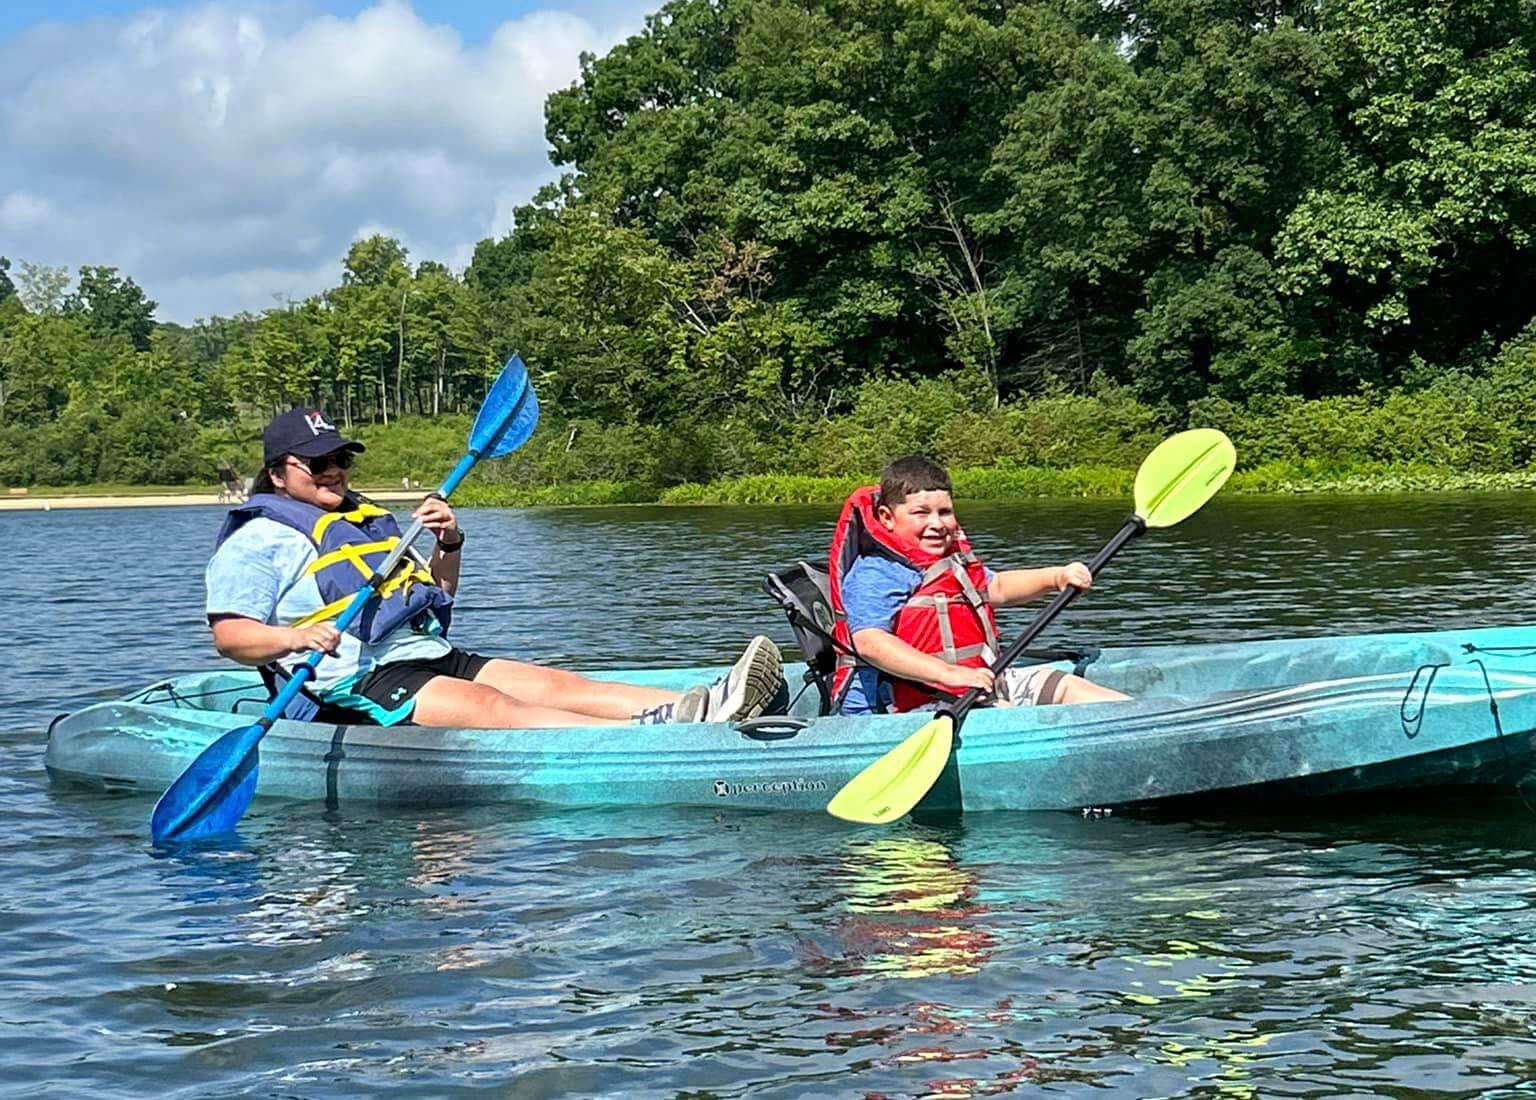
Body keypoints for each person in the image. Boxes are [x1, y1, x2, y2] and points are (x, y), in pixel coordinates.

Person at [205, 407, 782, 728]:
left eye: (339, 459)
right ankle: (655, 742)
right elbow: (231, 637)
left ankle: (701, 706)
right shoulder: (259, 540)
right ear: (278, 474)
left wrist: (449, 541)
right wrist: (294, 636)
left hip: (422, 655)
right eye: (316, 463)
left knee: (557, 683)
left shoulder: (364, 521)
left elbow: (437, 600)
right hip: (357, 681)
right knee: (496, 708)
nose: (333, 470)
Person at [828, 455, 1127, 715]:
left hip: (973, 683)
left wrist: (1056, 577)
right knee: (1009, 717)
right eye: (921, 513)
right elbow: (870, 643)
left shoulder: (949, 563)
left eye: (945, 512)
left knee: (1065, 685)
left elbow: (996, 588)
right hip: (912, 705)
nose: (937, 524)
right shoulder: (876, 574)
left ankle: (1153, 722)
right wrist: (949, 674)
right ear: (887, 518)